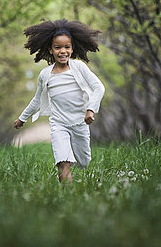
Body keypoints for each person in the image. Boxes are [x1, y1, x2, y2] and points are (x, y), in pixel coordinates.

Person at [14, 19, 105, 183]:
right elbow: (37, 99)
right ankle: (67, 196)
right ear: (50, 50)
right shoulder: (45, 74)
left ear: (72, 48)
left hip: (80, 123)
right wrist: (22, 118)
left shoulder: (79, 67)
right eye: (58, 47)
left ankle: (76, 171)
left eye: (67, 47)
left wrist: (90, 110)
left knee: (84, 161)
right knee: (63, 161)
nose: (63, 51)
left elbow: (99, 88)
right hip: (59, 124)